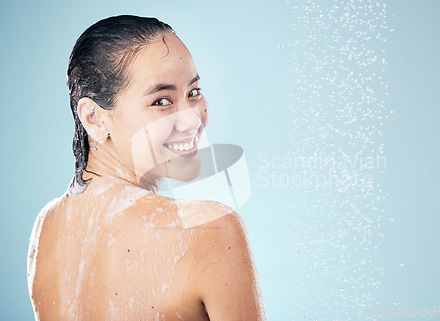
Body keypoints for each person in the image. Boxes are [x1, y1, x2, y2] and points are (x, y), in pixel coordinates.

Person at [27, 15, 265, 321]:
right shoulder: (209, 231)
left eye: (194, 92)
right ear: (94, 119)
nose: (193, 119)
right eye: (161, 101)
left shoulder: (47, 226)